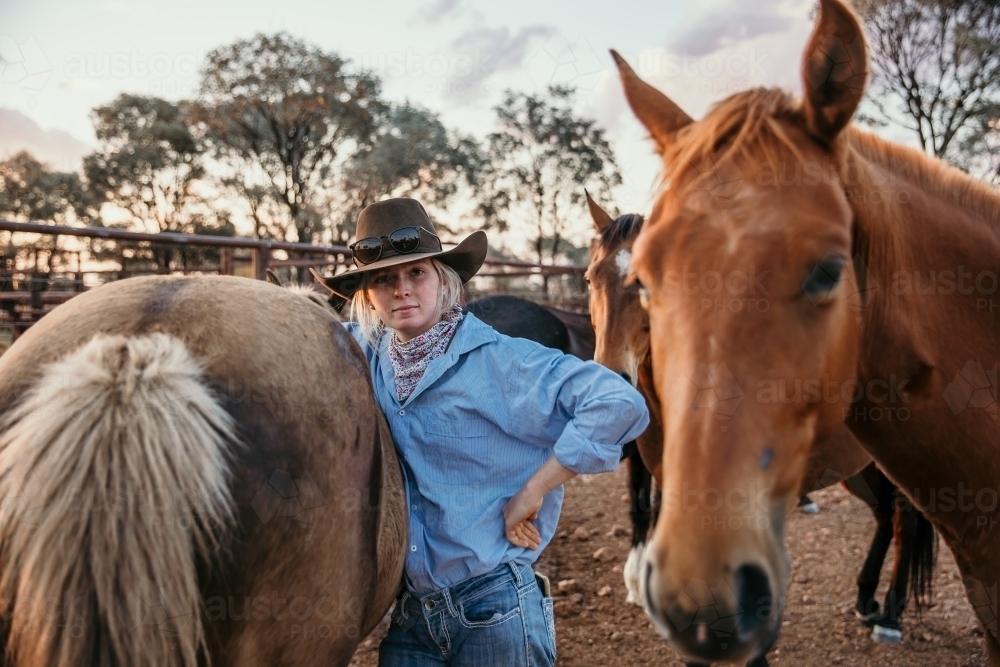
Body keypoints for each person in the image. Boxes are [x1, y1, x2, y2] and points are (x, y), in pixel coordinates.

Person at [314, 198, 649, 667]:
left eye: (417, 274)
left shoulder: (500, 360)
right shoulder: (371, 354)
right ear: (367, 293)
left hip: (493, 604)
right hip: (410, 614)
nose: (402, 291)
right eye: (384, 279)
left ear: (444, 279)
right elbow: (305, 335)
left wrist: (534, 489)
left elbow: (619, 402)